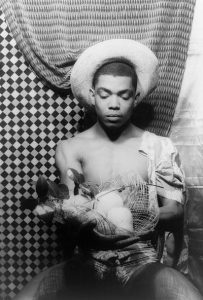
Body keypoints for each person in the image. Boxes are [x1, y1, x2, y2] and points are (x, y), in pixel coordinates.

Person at [14, 39, 203, 300]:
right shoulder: (71, 148)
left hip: (141, 260)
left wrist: (133, 224)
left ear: (136, 97)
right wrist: (68, 215)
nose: (114, 104)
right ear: (92, 95)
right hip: (89, 258)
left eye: (123, 95)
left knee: (188, 297)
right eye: (105, 94)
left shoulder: (158, 146)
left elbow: (175, 210)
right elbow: (71, 209)